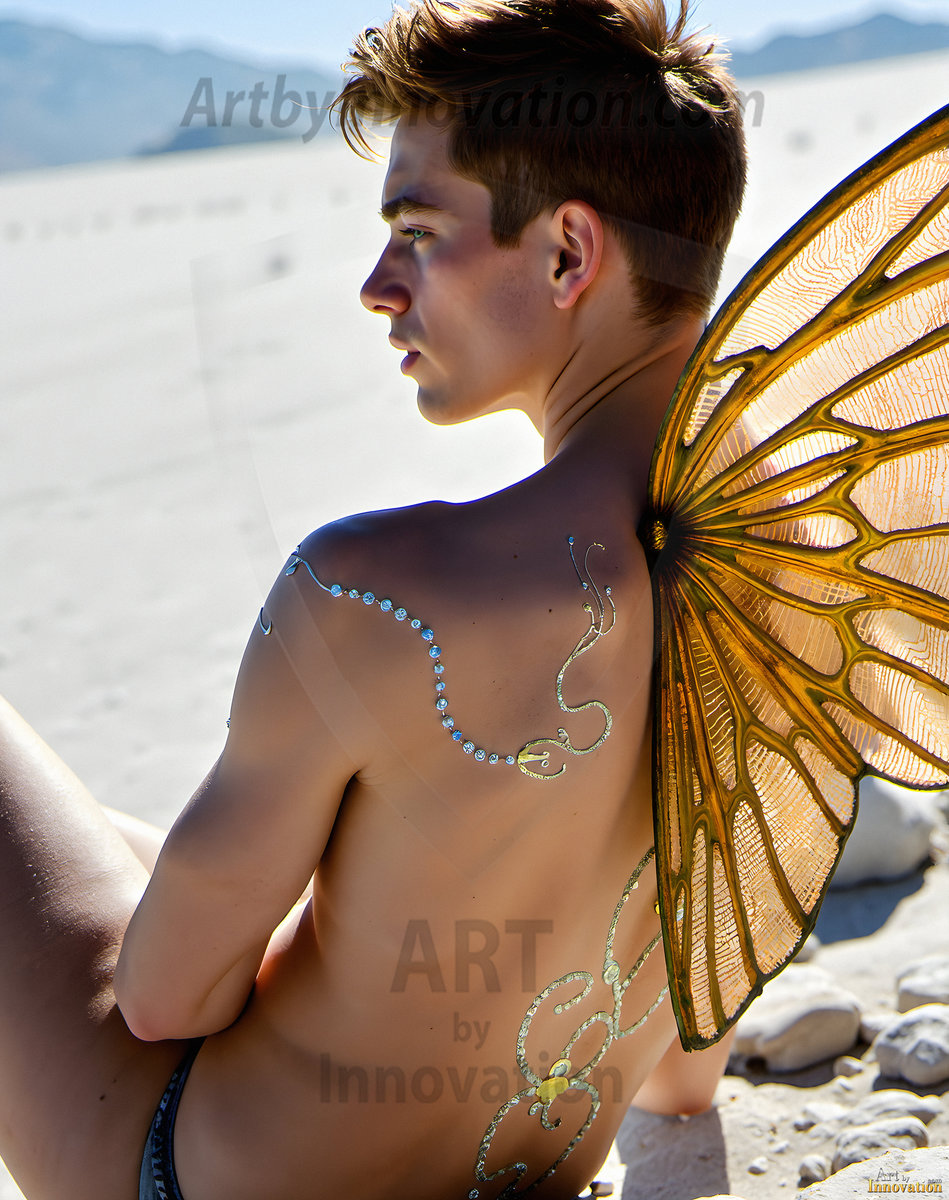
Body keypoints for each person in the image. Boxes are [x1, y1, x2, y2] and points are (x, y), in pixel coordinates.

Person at [0, 1, 747, 1196]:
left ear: (567, 253)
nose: (375, 287)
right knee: (137, 841)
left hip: (174, 1174)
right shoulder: (781, 578)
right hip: (527, 1175)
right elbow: (683, 1070)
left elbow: (163, 1003)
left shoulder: (375, 592)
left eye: (417, 231)